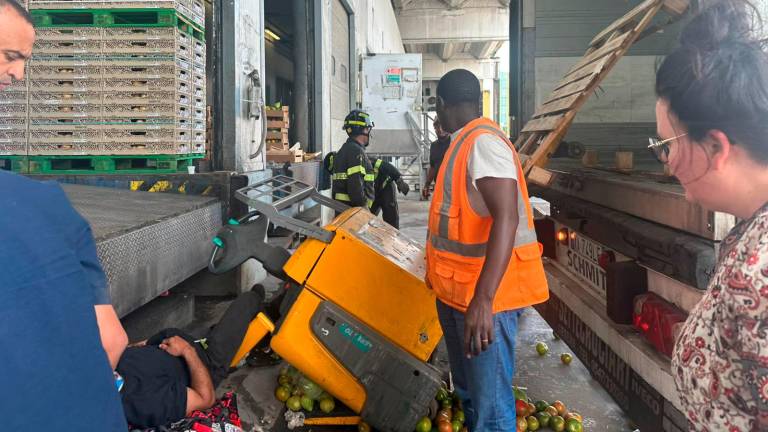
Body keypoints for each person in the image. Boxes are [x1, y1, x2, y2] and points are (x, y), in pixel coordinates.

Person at [0, 2, 130, 430]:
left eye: (24, 60)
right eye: (11, 56)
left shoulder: (44, 208)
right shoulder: (50, 209)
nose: (19, 75)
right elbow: (111, 340)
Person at [653, 1, 768, 430]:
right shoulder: (750, 228)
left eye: (667, 146)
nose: (666, 163)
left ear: (716, 147)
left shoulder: (761, 271)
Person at [425, 69, 548, 432]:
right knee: (470, 396)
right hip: (459, 295)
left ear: (441, 105)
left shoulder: (483, 143)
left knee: (491, 410)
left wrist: (483, 299)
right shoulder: (462, 143)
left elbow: (507, 218)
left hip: (485, 300)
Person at [116, 286, 267, 428]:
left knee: (224, 326)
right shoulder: (143, 402)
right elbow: (205, 399)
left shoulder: (110, 365)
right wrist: (187, 350)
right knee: (248, 301)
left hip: (181, 342)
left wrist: (146, 343)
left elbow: (133, 349)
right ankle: (265, 321)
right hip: (207, 360)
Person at [331, 109, 376, 210]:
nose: (369, 133)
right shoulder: (355, 151)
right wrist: (364, 207)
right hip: (353, 210)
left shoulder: (348, 149)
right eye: (367, 129)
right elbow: (355, 185)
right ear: (363, 130)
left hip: (346, 209)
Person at [369, 156, 410, 228]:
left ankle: (394, 233)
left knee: (390, 215)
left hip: (386, 187)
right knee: (368, 216)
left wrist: (399, 180)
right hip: (373, 191)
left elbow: (389, 167)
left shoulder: (369, 161)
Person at [422, 118, 451, 200]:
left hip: (454, 187)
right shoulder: (434, 146)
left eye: (442, 127)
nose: (440, 130)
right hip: (439, 186)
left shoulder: (454, 142)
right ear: (435, 129)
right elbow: (433, 167)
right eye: (437, 127)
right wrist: (427, 185)